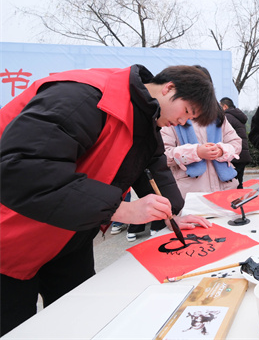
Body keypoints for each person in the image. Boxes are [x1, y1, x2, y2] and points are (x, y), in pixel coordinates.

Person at [0, 64, 216, 335]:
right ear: (169, 88)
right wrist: (120, 209)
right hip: (14, 235)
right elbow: (21, 170)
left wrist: (172, 215)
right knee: (16, 328)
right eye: (186, 111)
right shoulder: (83, 96)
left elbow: (151, 164)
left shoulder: (146, 117)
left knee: (78, 322)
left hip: (72, 231)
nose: (183, 122)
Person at [161, 101, 242, 199]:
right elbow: (164, 155)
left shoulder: (218, 118)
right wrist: (196, 152)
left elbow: (236, 143)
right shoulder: (174, 119)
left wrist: (221, 151)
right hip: (191, 192)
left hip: (225, 188)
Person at [220, 97, 251, 188]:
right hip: (243, 154)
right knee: (239, 182)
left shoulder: (226, 117)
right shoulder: (238, 117)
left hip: (234, 155)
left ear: (225, 107)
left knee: (231, 184)